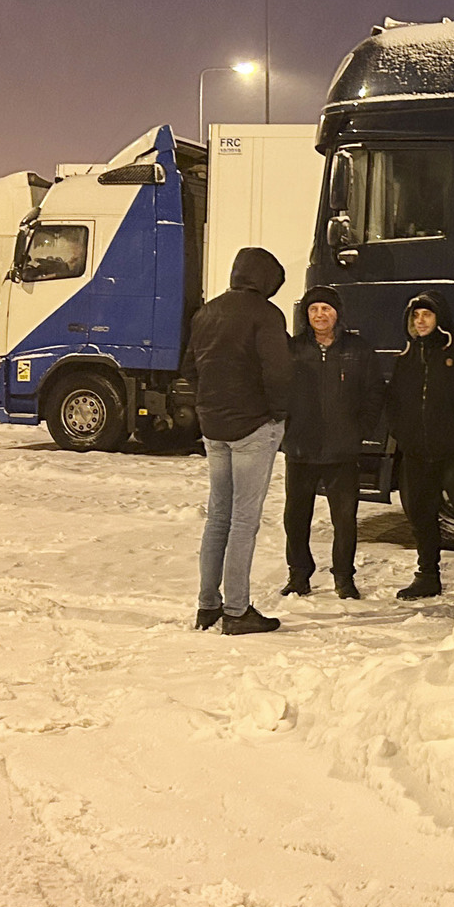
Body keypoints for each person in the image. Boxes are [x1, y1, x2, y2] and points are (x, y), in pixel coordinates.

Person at [182, 247, 293, 636]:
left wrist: (210, 407)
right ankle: (236, 611)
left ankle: (207, 606)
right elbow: (278, 372)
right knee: (243, 521)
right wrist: (279, 413)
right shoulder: (266, 315)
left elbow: (189, 369)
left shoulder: (206, 313)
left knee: (218, 518)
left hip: (214, 429)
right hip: (253, 428)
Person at [385, 291, 454, 604]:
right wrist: (401, 434)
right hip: (418, 452)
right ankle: (427, 577)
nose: (420, 321)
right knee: (421, 516)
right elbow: (393, 400)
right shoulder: (408, 354)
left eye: (427, 315)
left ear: (440, 318)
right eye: (415, 316)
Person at [280, 285, 385, 600]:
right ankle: (299, 576)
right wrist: (284, 430)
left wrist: (359, 430)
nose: (320, 315)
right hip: (300, 448)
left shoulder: (358, 350)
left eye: (325, 309)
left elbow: (374, 393)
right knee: (296, 518)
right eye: (313, 310)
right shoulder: (293, 349)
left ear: (337, 313)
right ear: (306, 315)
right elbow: (277, 390)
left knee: (345, 519)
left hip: (342, 450)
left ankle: (344, 577)